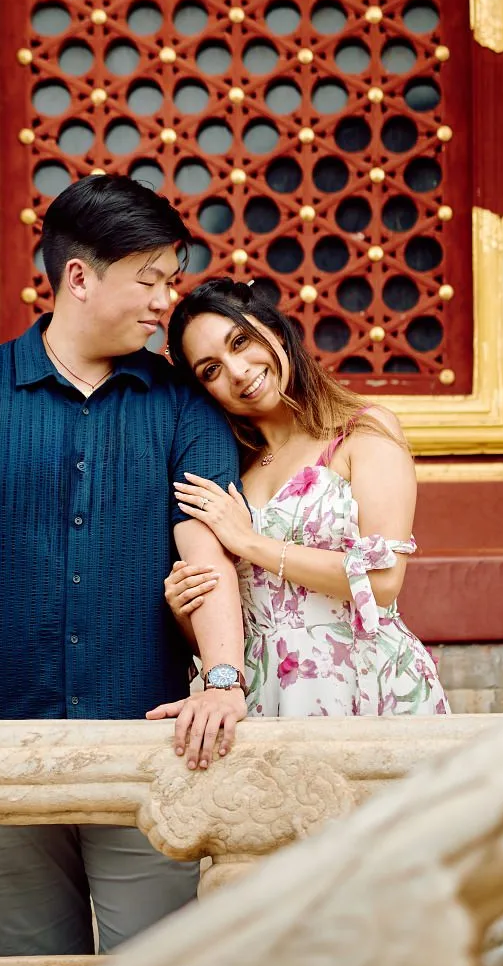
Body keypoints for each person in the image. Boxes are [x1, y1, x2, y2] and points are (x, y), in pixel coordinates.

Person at [0, 174, 249, 957]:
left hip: (146, 749)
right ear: (78, 277)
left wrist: (224, 678)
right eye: (150, 280)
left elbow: (204, 550)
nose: (167, 300)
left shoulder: (181, 405)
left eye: (172, 281)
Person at [162, 278, 449, 717]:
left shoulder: (363, 432)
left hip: (365, 684)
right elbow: (245, 619)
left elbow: (384, 581)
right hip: (264, 694)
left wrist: (251, 543)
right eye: (211, 370)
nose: (237, 371)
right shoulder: (229, 469)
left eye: (240, 341)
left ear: (275, 329)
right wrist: (185, 614)